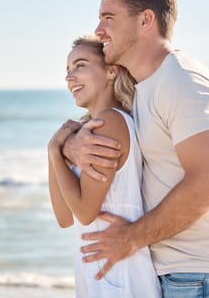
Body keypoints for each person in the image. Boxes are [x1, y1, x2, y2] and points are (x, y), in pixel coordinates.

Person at [62, 0, 209, 297]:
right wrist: (67, 144)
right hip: (174, 272)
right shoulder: (142, 87)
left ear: (145, 20)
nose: (99, 29)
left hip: (206, 273)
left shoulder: (182, 82)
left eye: (109, 18)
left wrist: (131, 237)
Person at [48, 36, 161, 297]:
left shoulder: (110, 122)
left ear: (111, 71)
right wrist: (57, 152)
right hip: (98, 272)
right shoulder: (87, 131)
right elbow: (65, 218)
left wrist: (54, 151)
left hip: (120, 275)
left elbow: (85, 212)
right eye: (67, 70)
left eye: (80, 65)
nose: (69, 77)